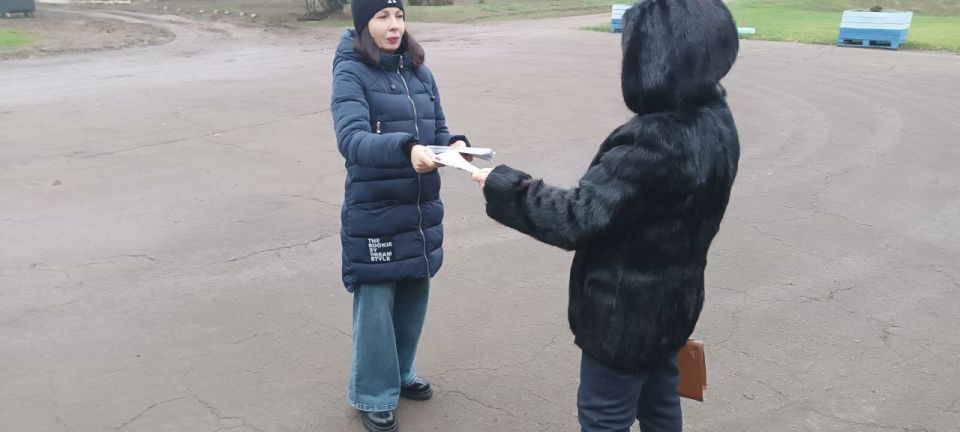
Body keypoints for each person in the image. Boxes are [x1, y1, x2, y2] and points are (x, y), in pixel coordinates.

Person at [471, 0, 740, 430]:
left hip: (624, 317)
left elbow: (577, 217)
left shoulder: (654, 141)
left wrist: (502, 185)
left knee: (604, 418)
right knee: (661, 404)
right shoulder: (718, 121)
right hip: (676, 303)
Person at [330, 0, 469, 429]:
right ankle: (373, 393)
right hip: (375, 206)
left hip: (418, 207)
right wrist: (406, 148)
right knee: (376, 301)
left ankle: (400, 373)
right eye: (382, 17)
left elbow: (438, 129)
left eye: (399, 16)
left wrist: (455, 148)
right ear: (363, 23)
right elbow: (351, 139)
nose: (394, 26)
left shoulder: (420, 72)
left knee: (412, 293)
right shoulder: (351, 70)